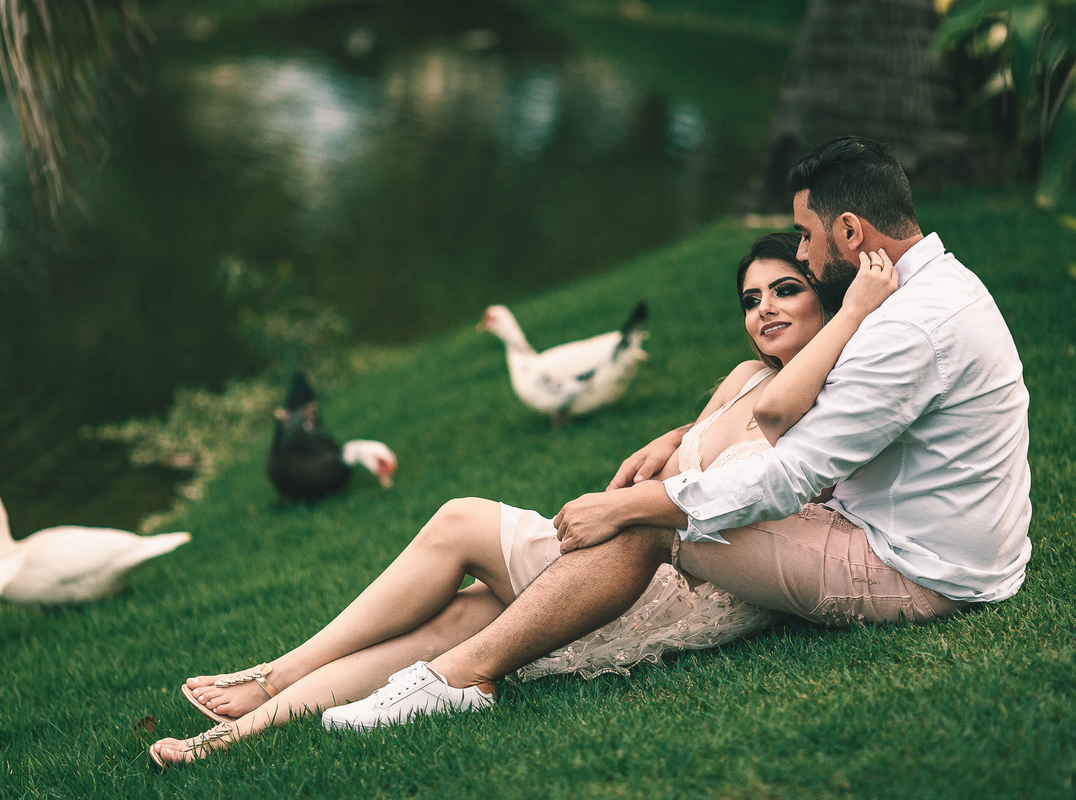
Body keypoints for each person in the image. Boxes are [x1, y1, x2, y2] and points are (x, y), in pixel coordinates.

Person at [319, 136, 1032, 732]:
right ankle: (440, 667)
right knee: (667, 506)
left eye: (810, 241)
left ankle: (458, 677)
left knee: (659, 523)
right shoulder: (942, 285)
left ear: (851, 232)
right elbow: (781, 414)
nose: (807, 261)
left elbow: (790, 475)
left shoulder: (906, 326)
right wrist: (684, 434)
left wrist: (630, 505)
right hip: (945, 546)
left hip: (914, 571)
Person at [148, 231, 897, 766]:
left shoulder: (826, 399)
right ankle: (234, 735)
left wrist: (857, 311)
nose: (764, 307)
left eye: (787, 290)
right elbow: (712, 436)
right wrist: (672, 437)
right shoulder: (746, 376)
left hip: (668, 581)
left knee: (459, 520)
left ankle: (272, 677)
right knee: (452, 616)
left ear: (824, 303)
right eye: (750, 297)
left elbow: (762, 463)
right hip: (621, 552)